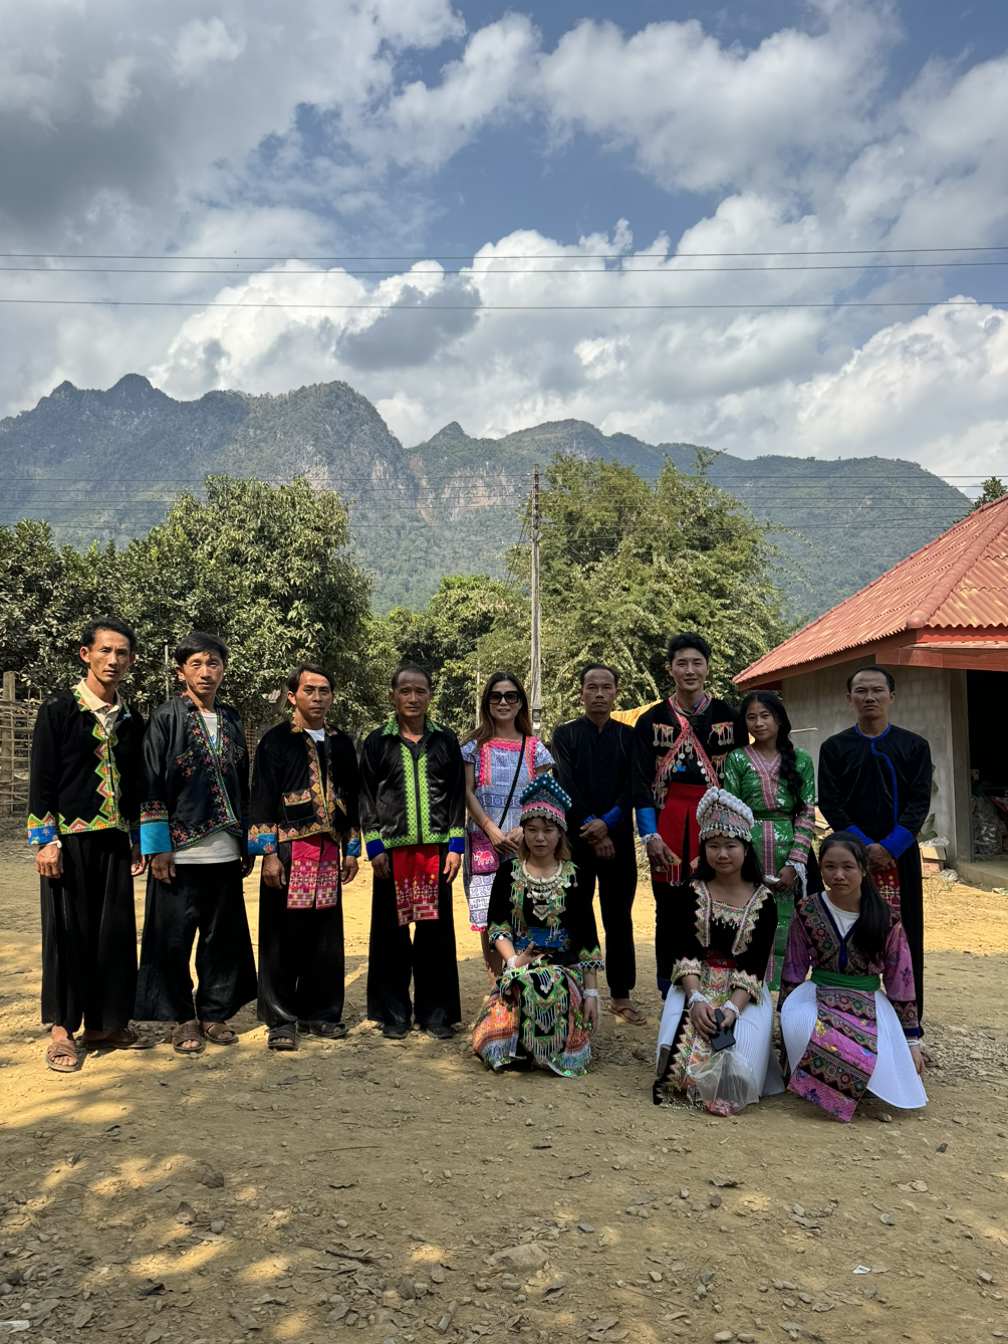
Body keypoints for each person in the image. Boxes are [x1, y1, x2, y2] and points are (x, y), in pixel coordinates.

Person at [28, 617, 152, 1072]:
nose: (113, 660)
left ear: (131, 661)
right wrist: (45, 840)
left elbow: (135, 784)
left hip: (115, 840)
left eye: (122, 653)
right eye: (105, 650)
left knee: (113, 934)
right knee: (67, 934)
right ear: (86, 654)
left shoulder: (131, 718)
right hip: (69, 841)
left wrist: (137, 837)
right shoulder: (59, 709)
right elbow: (42, 778)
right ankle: (62, 1029)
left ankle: (103, 1024)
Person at [135, 632, 257, 1054]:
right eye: (197, 664)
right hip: (179, 852)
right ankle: (181, 1017)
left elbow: (243, 782)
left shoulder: (232, 719)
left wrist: (246, 842)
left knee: (220, 939)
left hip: (225, 850)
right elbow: (149, 780)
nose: (206, 672)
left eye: (214, 663)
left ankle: (212, 1013)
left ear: (224, 669)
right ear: (180, 671)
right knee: (172, 940)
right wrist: (157, 846)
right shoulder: (165, 717)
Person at [248, 663, 362, 1050]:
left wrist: (351, 850)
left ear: (332, 696)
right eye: (309, 690)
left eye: (324, 690)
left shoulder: (342, 743)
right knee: (283, 937)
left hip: (329, 852)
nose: (317, 697)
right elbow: (263, 797)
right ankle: (281, 1019)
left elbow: (352, 800)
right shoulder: (276, 741)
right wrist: (268, 854)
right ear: (292, 696)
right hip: (288, 852)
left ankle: (322, 1013)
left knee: (324, 937)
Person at [779, 831, 926, 1122]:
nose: (838, 875)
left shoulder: (886, 918)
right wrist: (783, 1030)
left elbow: (901, 981)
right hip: (815, 995)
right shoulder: (807, 910)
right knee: (807, 1027)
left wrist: (911, 1041)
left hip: (868, 998)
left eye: (848, 866)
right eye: (829, 867)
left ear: (864, 869)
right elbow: (793, 968)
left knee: (874, 1056)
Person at [653, 787, 782, 1110]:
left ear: (746, 848)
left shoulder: (764, 901)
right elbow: (684, 950)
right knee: (677, 1063)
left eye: (730, 846)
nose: (722, 854)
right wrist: (696, 999)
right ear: (704, 848)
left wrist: (732, 1009)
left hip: (744, 989)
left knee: (742, 1075)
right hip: (695, 981)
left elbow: (755, 963)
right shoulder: (690, 891)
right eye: (713, 846)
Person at [817, 666, 932, 1025]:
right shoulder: (834, 748)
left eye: (878, 690)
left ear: (891, 697)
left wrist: (891, 847)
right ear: (849, 698)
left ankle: (908, 1024)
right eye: (861, 691)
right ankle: (850, 1016)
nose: (870, 697)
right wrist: (864, 847)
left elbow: (919, 801)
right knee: (850, 932)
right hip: (850, 858)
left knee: (905, 937)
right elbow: (830, 802)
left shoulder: (914, 746)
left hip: (900, 855)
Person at [632, 632, 745, 993]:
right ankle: (669, 988)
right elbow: (640, 782)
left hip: (717, 824)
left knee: (716, 902)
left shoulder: (729, 717)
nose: (690, 670)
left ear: (708, 668)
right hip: (666, 822)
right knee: (668, 908)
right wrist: (649, 835)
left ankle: (713, 984)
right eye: (682, 663)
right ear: (671, 670)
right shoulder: (651, 720)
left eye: (697, 663)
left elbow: (740, 774)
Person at [359, 665, 465, 1040]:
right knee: (391, 935)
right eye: (405, 691)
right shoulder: (377, 742)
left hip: (437, 852)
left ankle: (436, 1013)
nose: (413, 698)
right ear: (392, 697)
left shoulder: (445, 740)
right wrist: (374, 846)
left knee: (436, 935)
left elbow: (456, 795)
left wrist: (456, 846)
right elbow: (365, 796)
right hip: (391, 854)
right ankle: (394, 1013)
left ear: (430, 696)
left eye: (420, 691)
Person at [472, 776, 602, 1075]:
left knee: (548, 984)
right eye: (531, 830)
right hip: (519, 963)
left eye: (547, 830)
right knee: (522, 989)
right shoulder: (508, 873)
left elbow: (587, 937)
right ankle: (521, 1049)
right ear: (523, 831)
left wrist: (592, 994)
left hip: (563, 966)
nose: (539, 838)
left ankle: (547, 1049)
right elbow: (498, 926)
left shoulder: (574, 876)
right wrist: (514, 962)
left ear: (560, 833)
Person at [551, 662, 642, 1024]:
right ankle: (579, 988)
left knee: (619, 916)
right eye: (592, 687)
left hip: (618, 840)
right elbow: (565, 784)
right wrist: (592, 825)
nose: (599, 694)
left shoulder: (630, 737)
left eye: (606, 687)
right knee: (576, 913)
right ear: (581, 693)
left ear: (616, 693)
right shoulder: (565, 735)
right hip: (576, 840)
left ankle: (621, 994)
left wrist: (609, 823)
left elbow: (635, 784)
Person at [721, 689, 818, 991]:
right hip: (747, 852)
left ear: (779, 718)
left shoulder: (801, 759)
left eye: (765, 715)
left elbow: (806, 813)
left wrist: (795, 864)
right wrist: (748, 866)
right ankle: (748, 995)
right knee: (748, 921)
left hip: (790, 851)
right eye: (751, 717)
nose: (759, 723)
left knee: (790, 926)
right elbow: (731, 814)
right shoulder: (736, 759)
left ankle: (787, 1001)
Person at [461, 670, 552, 974]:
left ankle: (522, 981)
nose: (503, 702)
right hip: (484, 843)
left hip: (525, 845)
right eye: (495, 696)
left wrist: (524, 830)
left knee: (525, 911)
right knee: (489, 915)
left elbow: (542, 799)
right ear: (486, 702)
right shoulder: (472, 746)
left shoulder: (535, 748)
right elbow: (466, 792)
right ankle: (497, 986)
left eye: (510, 696)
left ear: (520, 702)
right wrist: (491, 830)